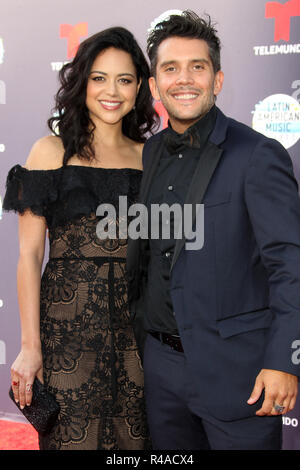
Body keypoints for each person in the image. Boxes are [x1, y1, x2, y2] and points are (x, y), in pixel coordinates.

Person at [126, 11, 300, 450]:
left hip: (239, 374)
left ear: (217, 80)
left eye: (197, 67)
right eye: (170, 68)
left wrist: (286, 360)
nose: (184, 80)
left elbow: (290, 265)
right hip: (162, 369)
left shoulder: (258, 154)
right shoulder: (150, 153)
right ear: (154, 86)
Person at [3, 26, 157, 450]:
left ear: (140, 87)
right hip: (66, 336)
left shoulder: (151, 157)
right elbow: (30, 255)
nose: (112, 91)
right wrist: (30, 346)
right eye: (99, 77)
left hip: (137, 338)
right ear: (82, 82)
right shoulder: (50, 152)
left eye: (124, 79)